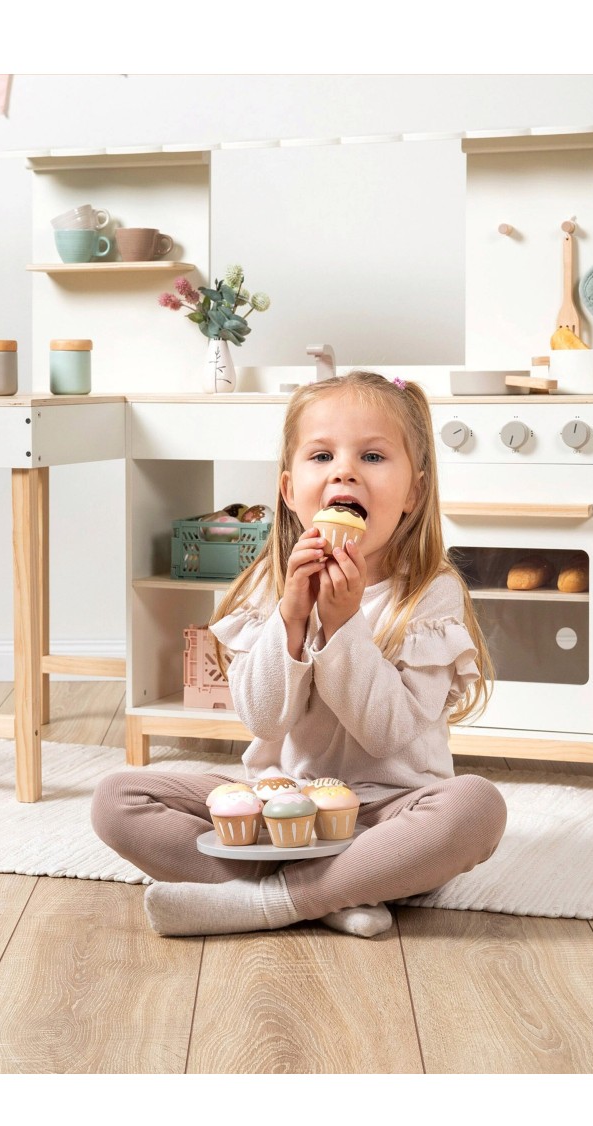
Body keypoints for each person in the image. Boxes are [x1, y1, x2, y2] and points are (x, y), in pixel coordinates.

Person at [91, 371, 507, 938]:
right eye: (322, 455)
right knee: (118, 798)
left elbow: (385, 733)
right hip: (281, 810)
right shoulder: (271, 585)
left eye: (373, 456)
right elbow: (263, 720)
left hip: (386, 818)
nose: (344, 470)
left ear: (413, 491)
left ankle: (273, 900)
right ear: (289, 490)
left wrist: (342, 626)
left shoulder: (429, 594)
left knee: (476, 807)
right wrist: (291, 618)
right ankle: (336, 890)